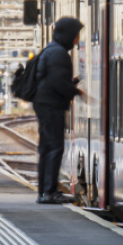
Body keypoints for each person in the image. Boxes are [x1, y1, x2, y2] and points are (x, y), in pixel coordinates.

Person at [33, 17, 83, 204]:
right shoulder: (59, 54)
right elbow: (58, 84)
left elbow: (53, 80)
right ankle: (49, 192)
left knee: (47, 149)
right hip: (51, 107)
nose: (77, 39)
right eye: (76, 35)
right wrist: (77, 91)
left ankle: (44, 192)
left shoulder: (51, 51)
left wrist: (73, 84)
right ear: (69, 35)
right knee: (54, 148)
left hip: (44, 104)